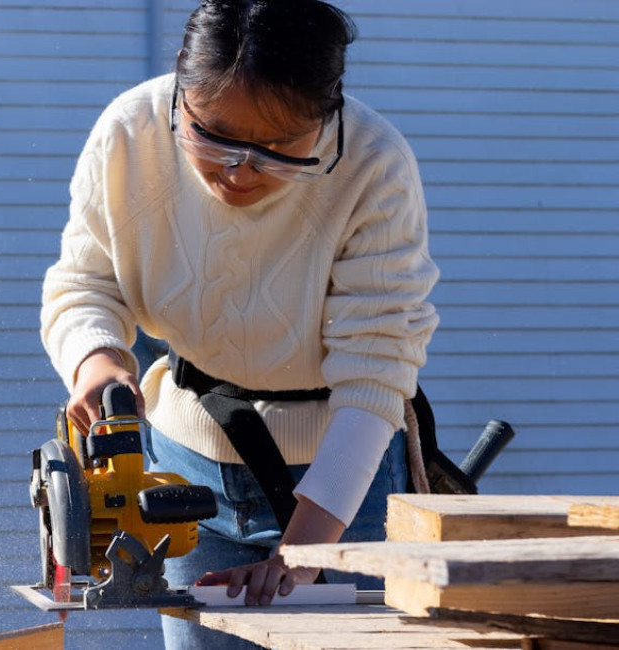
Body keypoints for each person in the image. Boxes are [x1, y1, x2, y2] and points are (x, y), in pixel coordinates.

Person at [40, 0, 439, 647]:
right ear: (182, 92)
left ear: (328, 114)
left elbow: (375, 377)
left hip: (342, 480)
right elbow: (85, 282)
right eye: (214, 135)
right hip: (184, 471)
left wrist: (308, 551)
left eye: (279, 149)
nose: (239, 169)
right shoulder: (130, 135)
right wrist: (99, 360)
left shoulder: (373, 165)